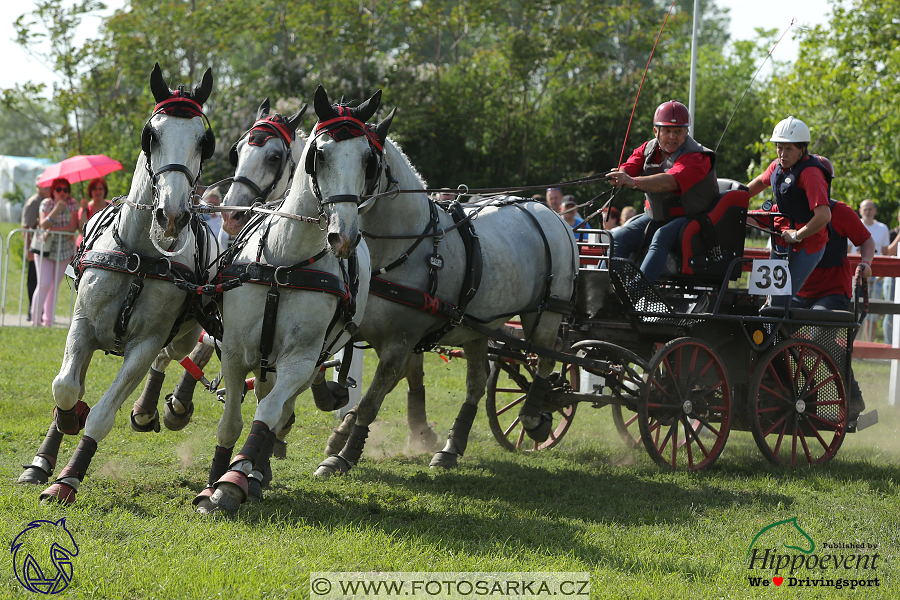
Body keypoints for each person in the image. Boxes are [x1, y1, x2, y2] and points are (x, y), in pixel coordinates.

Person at [791, 156, 872, 423]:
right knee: (769, 332)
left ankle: (853, 395)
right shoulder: (790, 210)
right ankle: (786, 392)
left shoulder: (840, 212)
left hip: (832, 292)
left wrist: (866, 263)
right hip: (797, 292)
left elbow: (866, 240)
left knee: (819, 338)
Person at [607, 100, 718, 283]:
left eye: (678, 131)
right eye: (666, 131)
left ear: (686, 132)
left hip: (693, 218)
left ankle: (636, 294)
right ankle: (605, 290)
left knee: (662, 236)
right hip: (658, 217)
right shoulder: (648, 149)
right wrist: (620, 175)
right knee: (619, 236)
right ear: (656, 131)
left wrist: (632, 182)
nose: (672, 137)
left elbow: (670, 181)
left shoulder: (698, 156)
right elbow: (629, 167)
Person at [746, 116, 832, 308]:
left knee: (779, 300)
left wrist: (798, 234)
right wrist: (735, 200)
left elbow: (824, 216)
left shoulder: (811, 175)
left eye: (789, 149)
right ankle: (766, 335)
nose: (782, 154)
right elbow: (760, 182)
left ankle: (782, 337)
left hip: (807, 244)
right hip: (782, 235)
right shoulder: (777, 165)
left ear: (802, 149)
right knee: (769, 296)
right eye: (779, 147)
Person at [31, 177, 80, 327]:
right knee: (44, 283)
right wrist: (56, 210)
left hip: (63, 249)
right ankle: (35, 321)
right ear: (53, 191)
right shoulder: (46, 203)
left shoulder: (72, 203)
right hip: (45, 248)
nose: (62, 192)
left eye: (65, 189)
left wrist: (53, 230)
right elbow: (43, 224)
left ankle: (48, 321)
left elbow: (73, 227)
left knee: (54, 286)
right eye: (59, 189)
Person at [851, 200, 890, 341]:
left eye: (870, 209)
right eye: (865, 209)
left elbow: (885, 253)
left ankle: (870, 343)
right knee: (853, 310)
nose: (868, 212)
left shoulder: (883, 228)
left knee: (873, 312)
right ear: (860, 211)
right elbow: (849, 251)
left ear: (875, 211)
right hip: (855, 275)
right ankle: (853, 345)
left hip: (875, 277)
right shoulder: (854, 224)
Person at [21, 178, 49, 321]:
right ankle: (32, 311)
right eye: (45, 184)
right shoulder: (34, 202)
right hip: (35, 247)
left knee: (40, 280)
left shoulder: (47, 201)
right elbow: (26, 227)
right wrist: (28, 249)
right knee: (34, 280)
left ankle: (40, 311)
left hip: (42, 247)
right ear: (38, 185)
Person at [78, 177, 111, 247]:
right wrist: (84, 210)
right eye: (95, 189)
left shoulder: (112, 207)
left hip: (106, 245)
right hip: (86, 246)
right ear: (90, 191)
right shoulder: (85, 208)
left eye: (100, 189)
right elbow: (81, 230)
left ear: (105, 190)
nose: (97, 191)